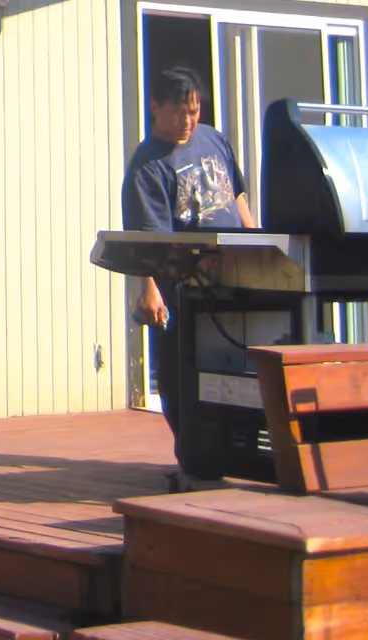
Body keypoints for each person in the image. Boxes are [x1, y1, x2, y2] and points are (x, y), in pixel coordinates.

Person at [121, 65, 255, 474]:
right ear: (155, 107)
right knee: (183, 378)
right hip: (183, 287)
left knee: (240, 368)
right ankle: (194, 459)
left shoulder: (213, 138)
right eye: (179, 112)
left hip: (234, 276)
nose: (188, 121)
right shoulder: (147, 165)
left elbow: (238, 193)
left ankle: (242, 453)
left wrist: (259, 245)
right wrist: (147, 290)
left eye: (194, 111)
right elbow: (145, 239)